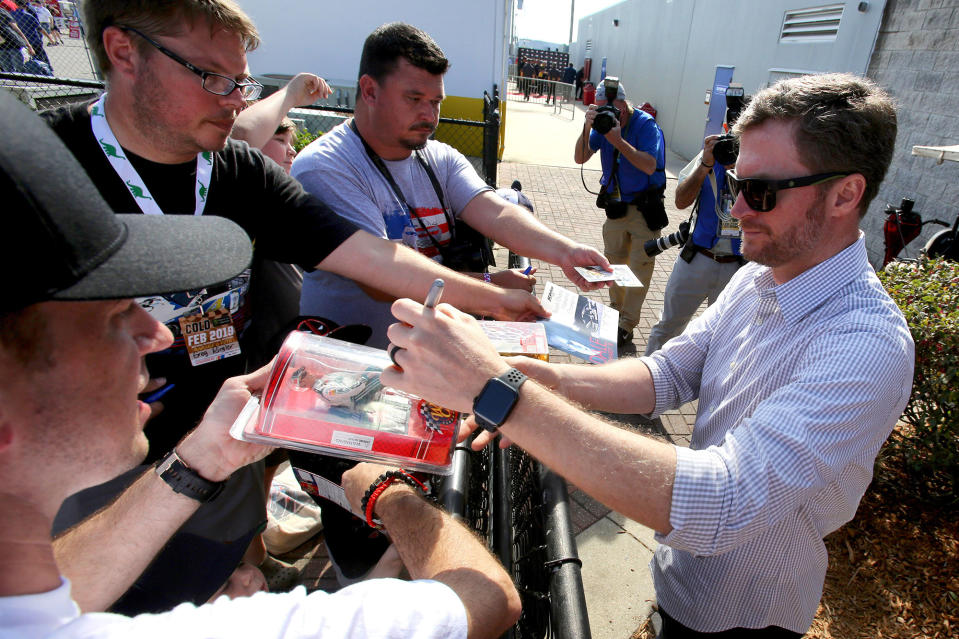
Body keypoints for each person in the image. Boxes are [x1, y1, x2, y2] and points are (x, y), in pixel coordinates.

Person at [43, 0, 543, 616]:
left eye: (242, 81)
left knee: (229, 573)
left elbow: (374, 257)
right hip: (91, 466)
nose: (234, 100)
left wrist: (497, 299)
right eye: (212, 77)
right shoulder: (44, 167)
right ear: (125, 52)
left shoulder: (238, 170)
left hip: (224, 436)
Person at [380, 72, 915, 637]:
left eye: (761, 191)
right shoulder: (761, 275)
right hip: (683, 577)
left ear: (845, 195)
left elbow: (723, 500)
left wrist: (503, 394)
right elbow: (669, 373)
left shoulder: (865, 346)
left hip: (745, 614)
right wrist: (549, 382)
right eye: (735, 179)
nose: (736, 207)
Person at [293, 22, 610, 349]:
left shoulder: (438, 157)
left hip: (422, 359)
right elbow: (383, 279)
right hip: (352, 366)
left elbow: (496, 212)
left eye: (436, 101)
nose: (430, 116)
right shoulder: (326, 167)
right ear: (370, 90)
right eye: (414, 98)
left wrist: (566, 252)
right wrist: (494, 292)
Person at [574, 78, 667, 347]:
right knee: (612, 266)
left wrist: (617, 141)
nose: (612, 116)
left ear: (625, 105)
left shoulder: (645, 125)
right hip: (616, 207)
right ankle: (615, 312)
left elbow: (649, 165)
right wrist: (587, 127)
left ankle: (626, 324)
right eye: (602, 109)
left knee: (639, 269)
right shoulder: (601, 124)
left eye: (615, 110)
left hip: (644, 209)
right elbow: (580, 158)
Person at [644, 133, 744, 355]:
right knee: (668, 327)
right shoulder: (709, 156)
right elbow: (681, 201)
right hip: (699, 257)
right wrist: (706, 165)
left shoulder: (757, 161)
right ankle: (643, 379)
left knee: (724, 336)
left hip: (737, 266)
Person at [0, 4, 33, 72]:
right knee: (7, 70)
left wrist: (28, 45)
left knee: (20, 68)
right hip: (1, 47)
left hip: (13, 43)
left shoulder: (2, 11)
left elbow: (16, 28)